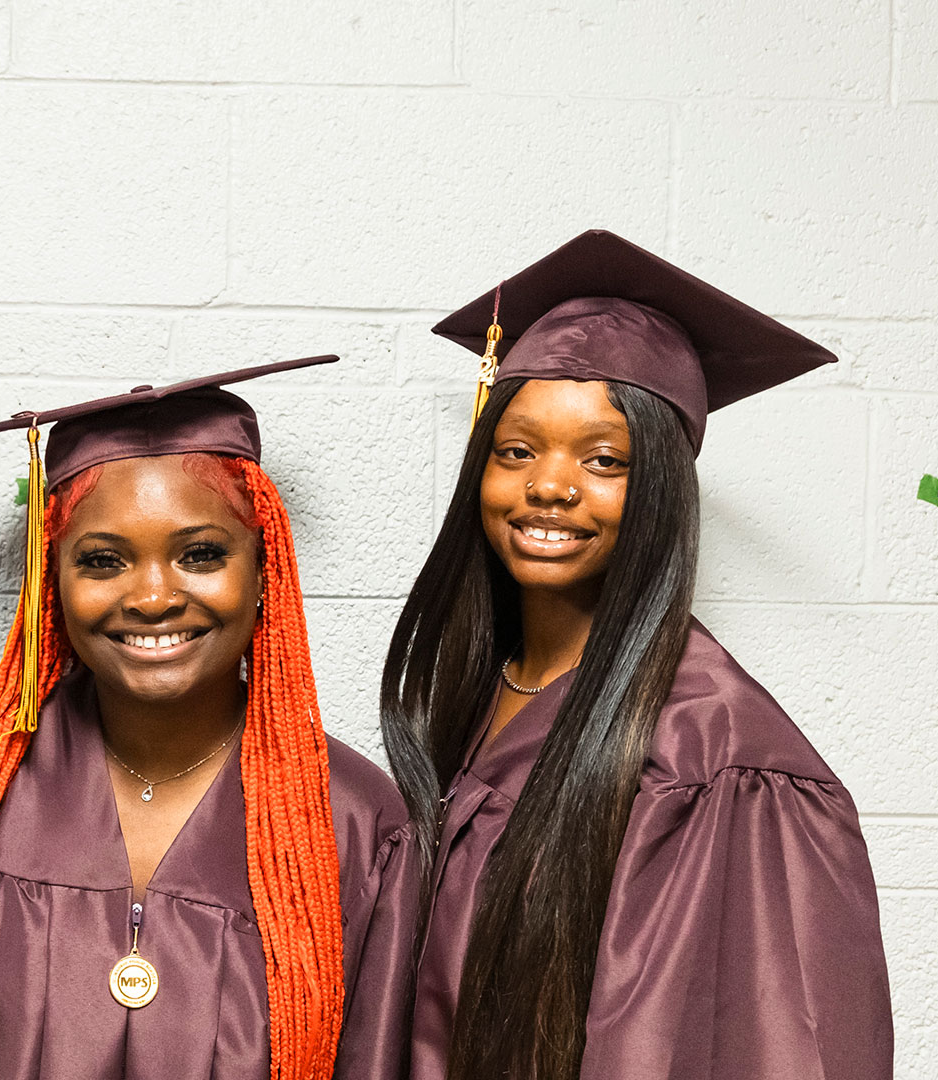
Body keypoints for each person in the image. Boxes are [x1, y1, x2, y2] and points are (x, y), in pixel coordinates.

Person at [380, 230, 893, 1080]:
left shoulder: (720, 756)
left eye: (604, 459)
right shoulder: (482, 693)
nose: (550, 484)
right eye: (517, 450)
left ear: (660, 484)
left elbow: (777, 1046)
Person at [0, 357, 419, 1080]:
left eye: (200, 554)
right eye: (102, 561)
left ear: (263, 569)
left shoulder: (352, 820)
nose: (154, 596)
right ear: (51, 576)